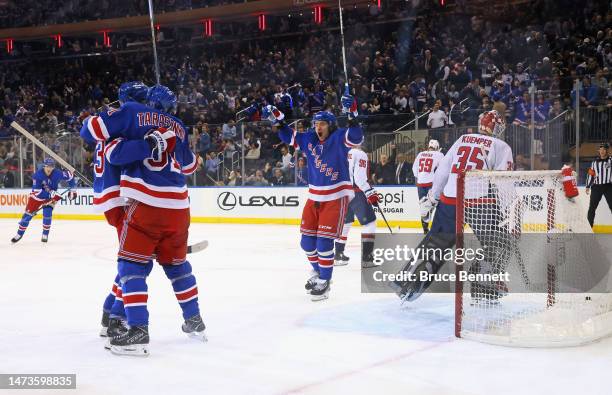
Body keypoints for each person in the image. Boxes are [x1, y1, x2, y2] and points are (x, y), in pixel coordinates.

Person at [81, 85, 205, 356]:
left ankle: (118, 318)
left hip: (130, 200)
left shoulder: (128, 117)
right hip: (178, 204)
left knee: (134, 264)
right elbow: (190, 165)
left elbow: (103, 144)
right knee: (168, 264)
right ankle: (192, 319)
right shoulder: (178, 125)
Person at [394, 102, 514, 302]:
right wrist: (510, 212)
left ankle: (408, 284)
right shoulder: (501, 146)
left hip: (450, 197)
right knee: (498, 244)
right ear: (498, 128)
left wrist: (433, 197)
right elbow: (504, 183)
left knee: (435, 244)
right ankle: (482, 287)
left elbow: (442, 170)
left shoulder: (462, 139)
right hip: (479, 201)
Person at [261, 88, 363, 301]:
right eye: (316, 124)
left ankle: (325, 281)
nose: (318, 127)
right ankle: (318, 272)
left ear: (331, 125)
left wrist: (352, 113)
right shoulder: (308, 138)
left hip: (335, 197)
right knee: (306, 243)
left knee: (324, 243)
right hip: (314, 198)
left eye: (322, 124)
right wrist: (278, 120)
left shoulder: (338, 137)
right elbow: (288, 136)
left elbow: (356, 136)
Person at [80, 81, 155, 340]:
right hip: (120, 198)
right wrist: (150, 145)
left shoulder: (114, 119)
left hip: (110, 196)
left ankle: (108, 313)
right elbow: (120, 155)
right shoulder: (126, 120)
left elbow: (87, 130)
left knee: (135, 259)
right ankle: (114, 319)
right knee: (137, 262)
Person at [334, 145, 380, 267]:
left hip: (342, 192)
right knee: (370, 223)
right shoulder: (360, 154)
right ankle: (367, 258)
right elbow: (360, 178)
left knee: (346, 223)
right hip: (356, 192)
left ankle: (338, 255)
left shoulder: (341, 152)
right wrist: (369, 192)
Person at [11, 158, 77, 243]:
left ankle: (45, 234)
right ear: (44, 166)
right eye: (48, 166)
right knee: (27, 216)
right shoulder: (37, 175)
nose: (49, 168)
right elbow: (37, 192)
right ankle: (19, 234)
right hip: (36, 198)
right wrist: (52, 194)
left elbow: (70, 176)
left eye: (51, 166)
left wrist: (73, 190)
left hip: (50, 197)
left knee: (47, 213)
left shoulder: (57, 173)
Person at [412, 139, 444, 233]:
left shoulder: (420, 154)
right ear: (437, 147)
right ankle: (438, 227)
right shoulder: (439, 154)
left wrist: (419, 179)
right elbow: (443, 168)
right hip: (431, 185)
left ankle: (425, 228)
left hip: (420, 184)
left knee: (424, 207)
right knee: (436, 206)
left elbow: (414, 168)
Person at [586, 143, 612, 227]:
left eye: (604, 149)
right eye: (600, 149)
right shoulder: (594, 162)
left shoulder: (611, 160)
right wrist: (587, 186)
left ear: (607, 151)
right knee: (592, 208)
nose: (602, 151)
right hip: (596, 187)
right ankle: (589, 228)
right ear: (598, 151)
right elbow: (591, 174)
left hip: (608, 186)